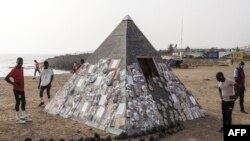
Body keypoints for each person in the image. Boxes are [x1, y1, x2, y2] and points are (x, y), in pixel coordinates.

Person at [5, 57, 32, 124]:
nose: (20, 64)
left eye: (21, 62)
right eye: (19, 62)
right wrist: (13, 83)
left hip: (22, 89)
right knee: (18, 102)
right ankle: (17, 118)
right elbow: (6, 78)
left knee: (24, 102)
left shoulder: (21, 68)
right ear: (17, 62)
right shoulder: (14, 70)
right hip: (17, 90)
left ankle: (23, 116)